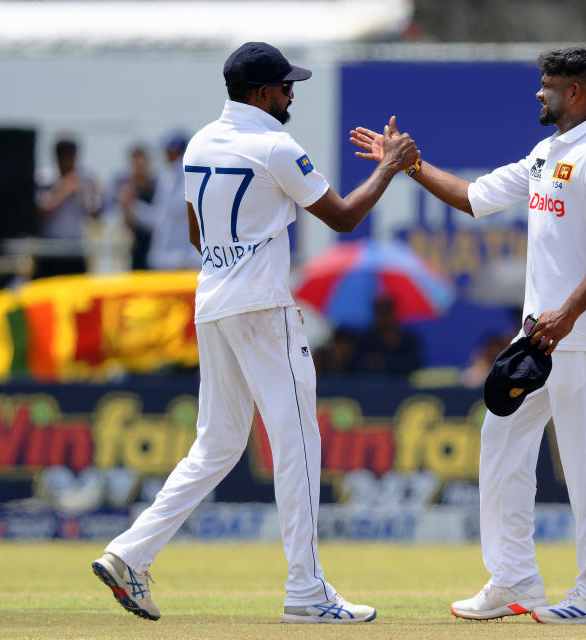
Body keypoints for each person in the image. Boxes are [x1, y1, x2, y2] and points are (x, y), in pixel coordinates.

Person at [91, 41, 419, 624]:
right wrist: (390, 168)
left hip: (213, 301)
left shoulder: (197, 144)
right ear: (261, 93)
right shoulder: (276, 143)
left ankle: (129, 553)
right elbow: (343, 217)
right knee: (297, 445)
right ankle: (305, 592)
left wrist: (237, 247)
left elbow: (197, 235)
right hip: (263, 307)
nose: (291, 94)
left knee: (216, 444)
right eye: (286, 87)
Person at [352, 45, 586, 625]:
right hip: (539, 338)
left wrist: (570, 314)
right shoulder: (545, 153)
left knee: (584, 461)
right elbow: (474, 197)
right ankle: (515, 580)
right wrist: (406, 164)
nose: (539, 93)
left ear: (575, 93)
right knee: (500, 439)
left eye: (548, 85)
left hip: (579, 334)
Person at [146, 130, 202, 271]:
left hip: (184, 262)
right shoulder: (165, 179)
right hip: (163, 260)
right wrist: (132, 207)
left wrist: (193, 257)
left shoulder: (193, 177)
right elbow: (158, 218)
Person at [36, 138, 102, 239]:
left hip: (76, 243)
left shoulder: (85, 177)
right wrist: (64, 189)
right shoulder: (44, 177)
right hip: (49, 242)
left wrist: (87, 192)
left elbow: (94, 214)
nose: (70, 162)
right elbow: (41, 213)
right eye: (66, 157)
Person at [110, 144, 157, 270]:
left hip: (153, 247)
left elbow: (157, 221)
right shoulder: (125, 188)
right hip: (132, 249)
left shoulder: (157, 187)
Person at [354, 296, 422, 377]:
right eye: (380, 312)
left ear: (393, 313)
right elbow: (357, 366)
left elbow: (415, 364)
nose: (384, 318)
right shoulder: (365, 339)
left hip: (404, 387)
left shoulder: (408, 339)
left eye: (387, 312)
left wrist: (385, 362)